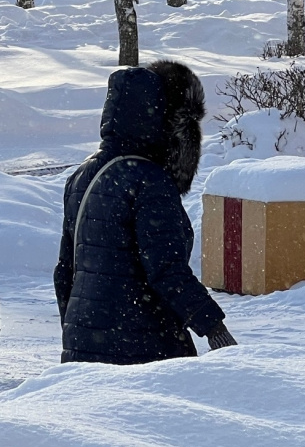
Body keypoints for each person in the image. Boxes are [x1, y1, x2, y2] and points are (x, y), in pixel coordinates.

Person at [54, 60, 237, 365]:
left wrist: (79, 333)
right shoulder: (150, 182)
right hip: (141, 343)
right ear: (166, 122)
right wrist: (213, 327)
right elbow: (166, 270)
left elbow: (65, 272)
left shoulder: (81, 176)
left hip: (83, 346)